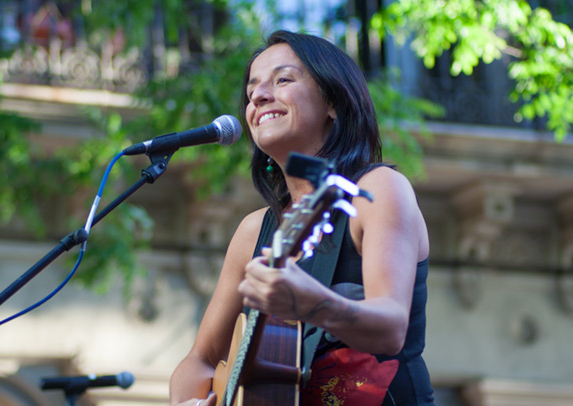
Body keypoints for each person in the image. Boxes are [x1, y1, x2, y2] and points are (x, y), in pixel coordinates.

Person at [169, 30, 435, 406]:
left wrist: (313, 304)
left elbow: (391, 327)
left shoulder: (377, 191)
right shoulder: (252, 232)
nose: (259, 95)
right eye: (251, 91)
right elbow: (199, 360)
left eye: (283, 79)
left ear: (333, 102)